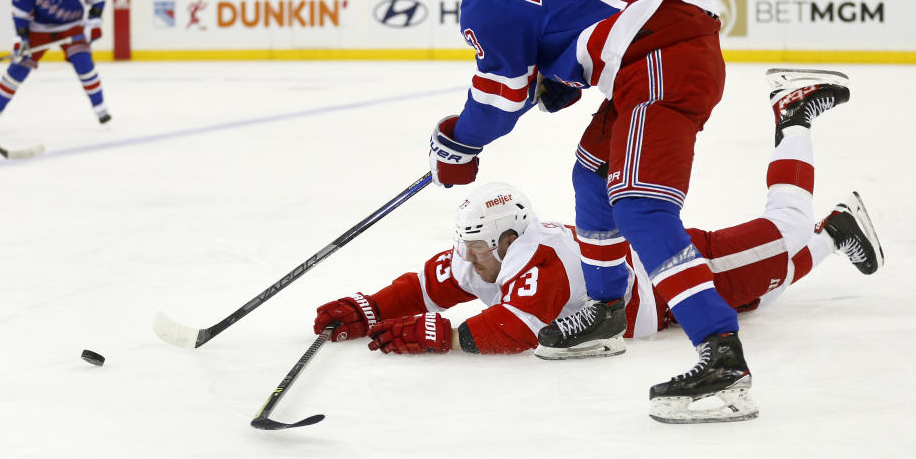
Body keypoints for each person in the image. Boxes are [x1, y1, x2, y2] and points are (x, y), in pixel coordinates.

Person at [423, 0, 823, 423]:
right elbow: (584, 9)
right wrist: (560, 78)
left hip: (659, 55)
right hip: (664, 38)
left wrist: (457, 142)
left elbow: (499, 100)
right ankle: (606, 311)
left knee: (640, 205)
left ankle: (722, 360)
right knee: (593, 170)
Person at [317, 68, 881, 416]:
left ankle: (794, 112)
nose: (466, 257)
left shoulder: (540, 262)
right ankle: (838, 228)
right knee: (766, 293)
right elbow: (426, 283)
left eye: (475, 246)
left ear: (507, 237)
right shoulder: (484, 255)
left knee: (783, 233)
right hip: (663, 311)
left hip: (684, 270)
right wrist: (367, 309)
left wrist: (437, 333)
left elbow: (516, 329)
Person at [0, 0, 110, 130]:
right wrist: (21, 38)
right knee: (16, 71)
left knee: (84, 63)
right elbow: (20, 13)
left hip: (71, 26)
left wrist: (94, 21)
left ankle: (101, 110)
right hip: (38, 28)